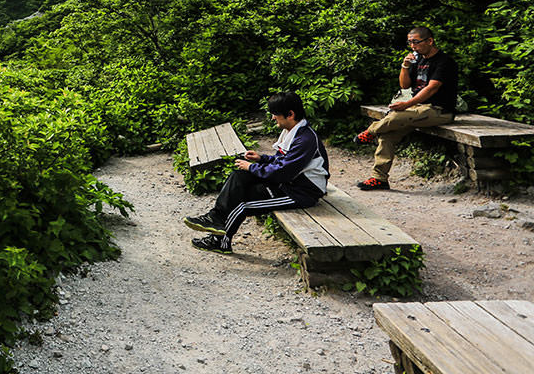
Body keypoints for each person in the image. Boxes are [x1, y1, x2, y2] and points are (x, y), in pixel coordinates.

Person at [185, 91, 330, 254]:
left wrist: (251, 167)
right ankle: (216, 218)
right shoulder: (291, 131)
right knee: (239, 177)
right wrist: (262, 158)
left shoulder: (305, 140)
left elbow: (282, 172)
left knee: (244, 203)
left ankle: (220, 241)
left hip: (301, 192)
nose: (273, 118)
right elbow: (281, 161)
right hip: (289, 183)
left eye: (275, 114)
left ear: (290, 114)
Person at [355, 26, 458, 190]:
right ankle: (379, 179)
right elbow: (405, 86)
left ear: (429, 41)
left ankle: (370, 132)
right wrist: (405, 66)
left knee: (396, 117)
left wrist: (406, 105)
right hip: (417, 109)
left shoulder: (444, 62)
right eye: (410, 42)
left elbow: (432, 88)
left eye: (416, 42)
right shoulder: (419, 60)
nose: (412, 46)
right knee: (387, 135)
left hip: (439, 110)